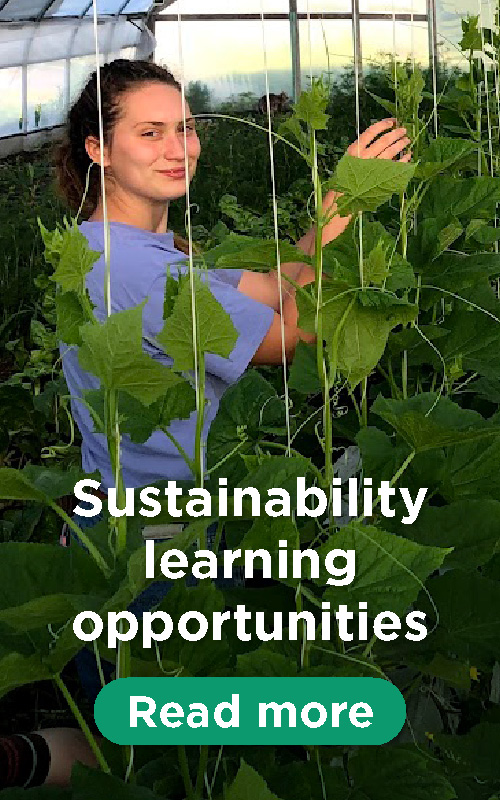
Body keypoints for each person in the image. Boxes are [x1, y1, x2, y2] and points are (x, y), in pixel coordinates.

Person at [4, 58, 410, 789]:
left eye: (185, 127)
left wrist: (338, 210)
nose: (177, 146)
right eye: (150, 132)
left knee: (137, 725)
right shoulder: (135, 273)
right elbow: (288, 338)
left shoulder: (122, 247)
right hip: (149, 546)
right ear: (99, 148)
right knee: (165, 747)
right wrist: (347, 199)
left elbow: (278, 283)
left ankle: (18, 758)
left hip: (136, 523)